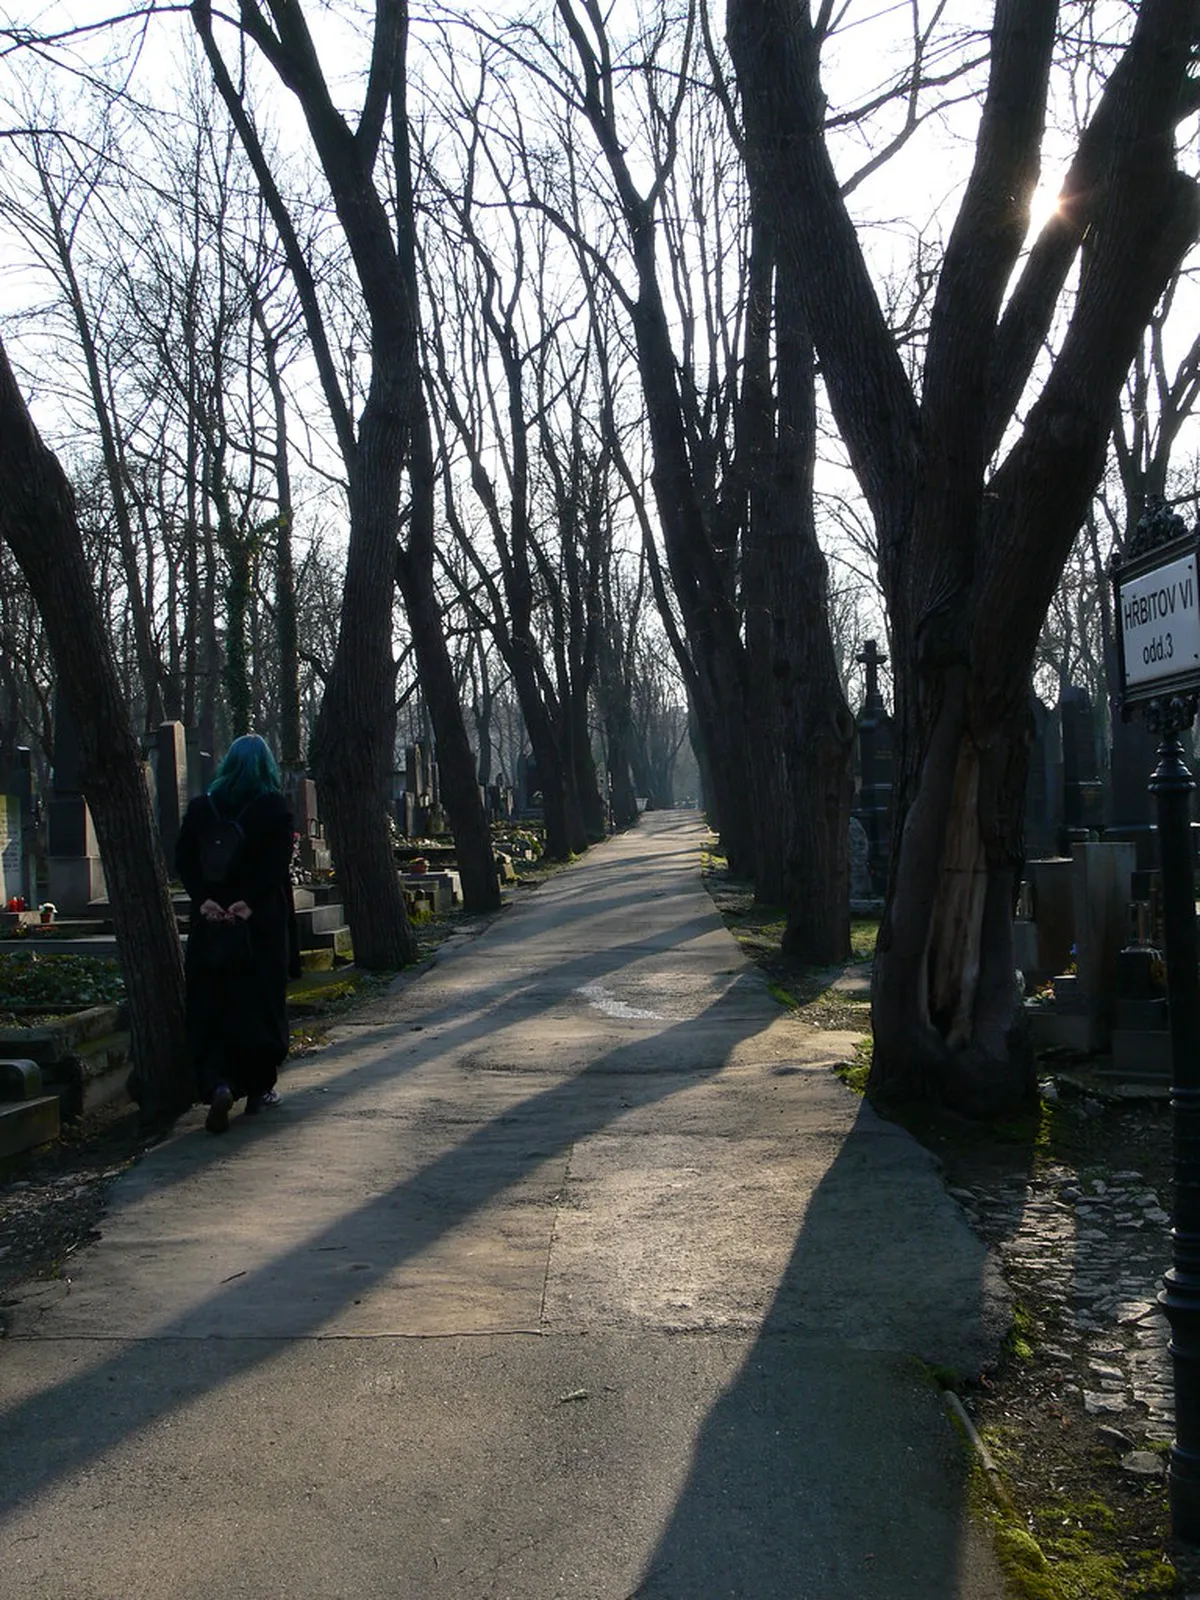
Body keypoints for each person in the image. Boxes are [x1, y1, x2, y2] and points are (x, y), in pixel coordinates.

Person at [175, 734, 299, 1132]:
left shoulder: (200, 810)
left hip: (211, 926)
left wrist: (205, 901)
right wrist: (248, 903)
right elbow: (277, 865)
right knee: (260, 1003)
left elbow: (184, 860)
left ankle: (217, 1083)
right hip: (258, 926)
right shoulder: (274, 809)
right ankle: (259, 1089)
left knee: (212, 1002)